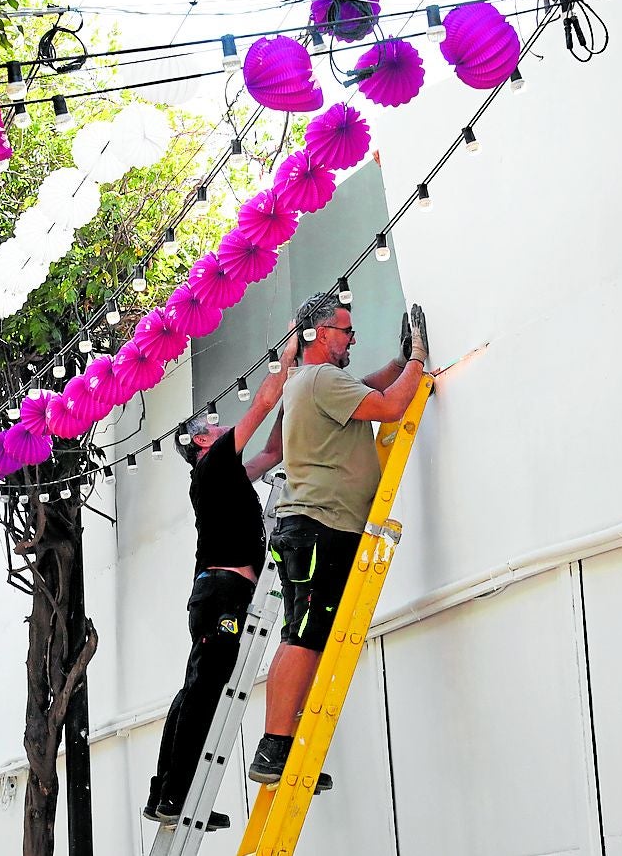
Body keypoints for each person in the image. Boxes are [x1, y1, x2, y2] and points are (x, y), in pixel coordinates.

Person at [248, 294, 429, 784]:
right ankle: (273, 748)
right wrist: (417, 361)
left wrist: (396, 362)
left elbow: (369, 389)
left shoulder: (317, 384)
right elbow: (391, 406)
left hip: (318, 527)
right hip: (319, 528)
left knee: (308, 636)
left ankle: (284, 748)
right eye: (346, 331)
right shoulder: (320, 378)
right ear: (320, 334)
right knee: (302, 638)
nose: (352, 339)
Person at [144, 328, 298, 831]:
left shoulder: (227, 476)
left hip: (221, 593)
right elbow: (263, 403)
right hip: (222, 594)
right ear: (202, 443)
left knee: (197, 688)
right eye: (212, 424)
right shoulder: (212, 468)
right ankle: (174, 797)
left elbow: (273, 451)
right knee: (204, 691)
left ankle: (164, 795)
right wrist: (294, 345)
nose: (222, 422)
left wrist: (291, 391)